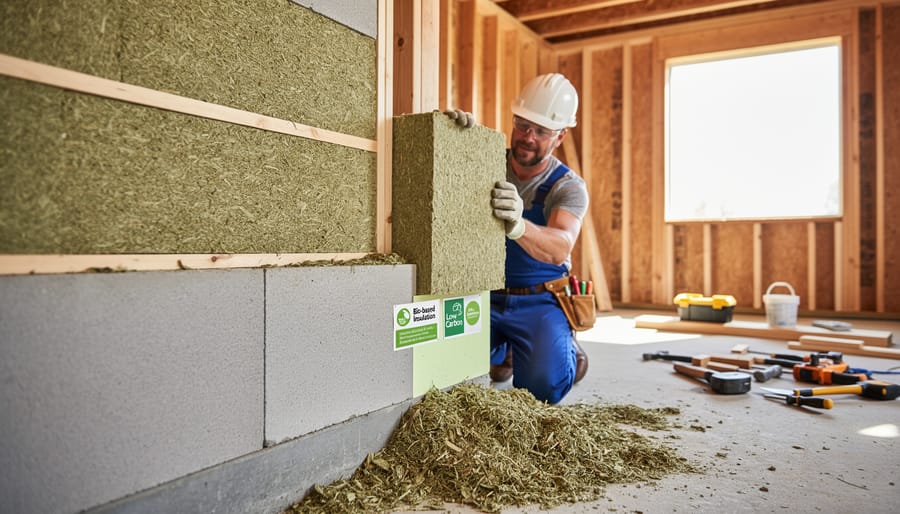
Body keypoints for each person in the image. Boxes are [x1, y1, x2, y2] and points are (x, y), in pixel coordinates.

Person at [489, 73, 589, 405]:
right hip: (485, 294)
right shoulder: (488, 161)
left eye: (541, 131)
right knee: (444, 368)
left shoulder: (568, 186)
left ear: (559, 137)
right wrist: (456, 134)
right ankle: (506, 352)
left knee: (543, 389)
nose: (528, 137)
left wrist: (519, 225)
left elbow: (560, 246)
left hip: (540, 300)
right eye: (522, 125)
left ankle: (565, 351)